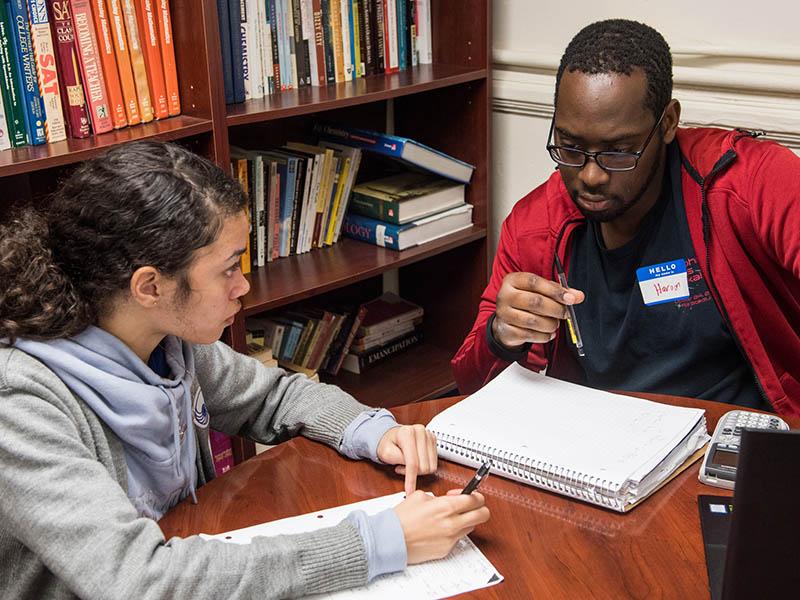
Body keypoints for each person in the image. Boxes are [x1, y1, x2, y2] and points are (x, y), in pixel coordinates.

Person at [0, 141, 490, 599]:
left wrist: (373, 431)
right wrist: (374, 544)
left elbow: (271, 396)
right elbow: (138, 579)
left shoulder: (159, 338)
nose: (243, 287)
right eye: (228, 268)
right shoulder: (20, 404)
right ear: (150, 286)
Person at [452, 19, 800, 418]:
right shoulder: (535, 228)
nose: (591, 176)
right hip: (608, 450)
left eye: (618, 152)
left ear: (668, 123)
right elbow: (468, 383)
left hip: (731, 451)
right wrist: (502, 335)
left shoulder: (743, 183)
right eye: (570, 147)